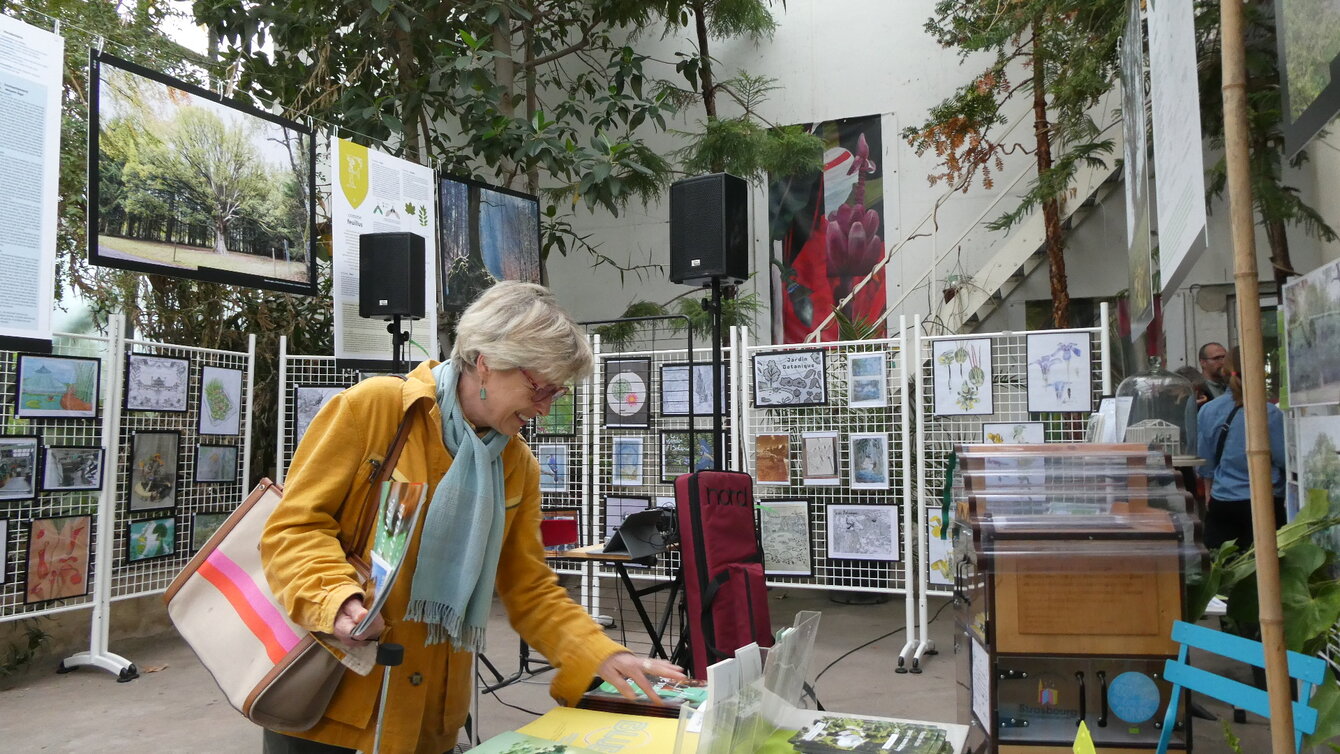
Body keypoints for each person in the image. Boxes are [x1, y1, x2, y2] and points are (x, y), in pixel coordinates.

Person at [262, 281, 685, 754]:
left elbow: (528, 586)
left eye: (557, 391)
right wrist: (333, 598)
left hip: (431, 714)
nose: (545, 407)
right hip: (334, 704)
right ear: (486, 361)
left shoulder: (516, 464)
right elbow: (294, 528)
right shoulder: (376, 409)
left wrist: (598, 652)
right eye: (540, 387)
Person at [1195, 347, 1286, 551]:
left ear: (1225, 372)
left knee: (1223, 564)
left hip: (1223, 500)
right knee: (1265, 564)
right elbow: (1283, 459)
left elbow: (1205, 462)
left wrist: (1210, 493)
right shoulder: (1269, 413)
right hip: (1265, 502)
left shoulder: (1208, 410)